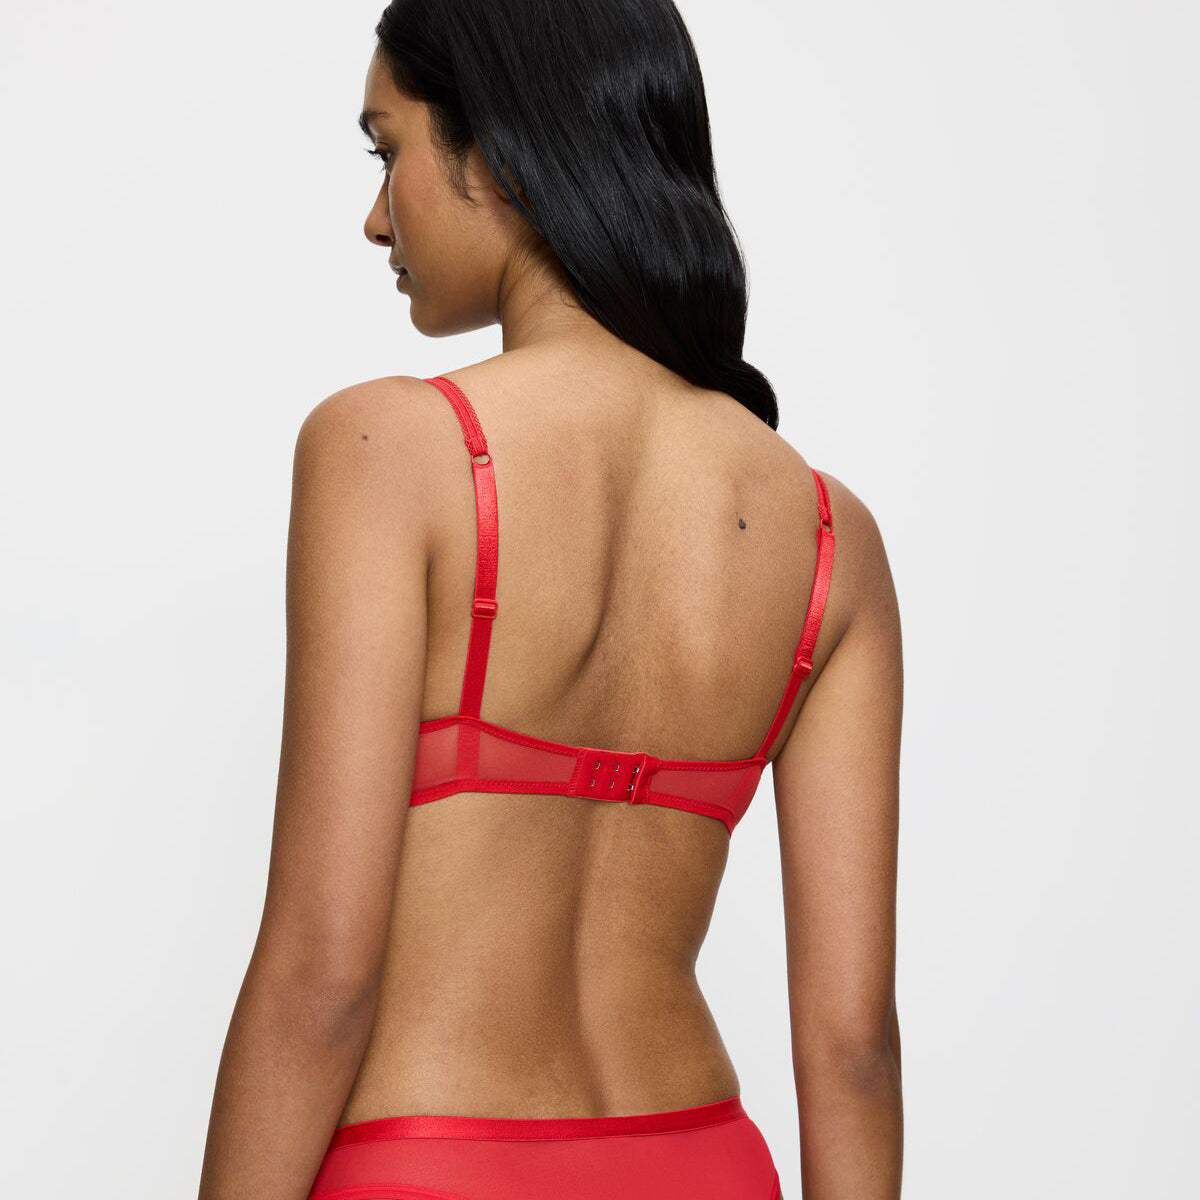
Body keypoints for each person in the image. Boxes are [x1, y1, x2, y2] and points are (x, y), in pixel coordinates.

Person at [197, 2, 903, 1197]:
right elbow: (854, 1047)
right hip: (704, 1163)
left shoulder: (386, 448)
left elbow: (321, 976)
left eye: (389, 151)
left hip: (430, 1167)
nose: (377, 217)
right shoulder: (832, 536)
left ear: (502, 154)